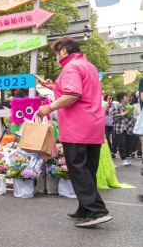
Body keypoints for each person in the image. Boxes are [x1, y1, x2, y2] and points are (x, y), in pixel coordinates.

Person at [37, 37, 111, 227]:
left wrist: (49, 107)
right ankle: (84, 209)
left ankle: (97, 211)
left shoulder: (70, 67)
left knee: (77, 168)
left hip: (77, 125)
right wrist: (53, 87)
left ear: (63, 51)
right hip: (93, 124)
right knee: (88, 170)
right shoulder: (88, 65)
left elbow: (73, 94)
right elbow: (79, 90)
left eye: (56, 53)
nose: (57, 57)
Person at [111, 91, 134, 166]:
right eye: (126, 96)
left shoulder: (130, 106)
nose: (128, 98)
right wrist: (124, 113)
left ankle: (126, 158)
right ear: (121, 98)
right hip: (120, 128)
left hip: (129, 128)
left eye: (128, 96)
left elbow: (131, 117)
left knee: (129, 144)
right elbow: (114, 117)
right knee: (122, 144)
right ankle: (124, 159)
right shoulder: (117, 106)